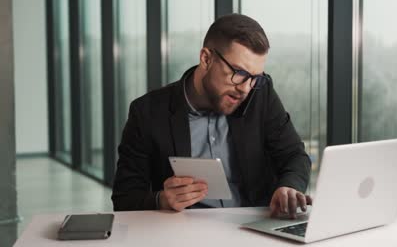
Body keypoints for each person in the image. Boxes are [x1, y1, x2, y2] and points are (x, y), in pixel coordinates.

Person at [112, 13, 312, 218]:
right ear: (206, 59)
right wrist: (161, 199)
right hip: (187, 232)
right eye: (239, 73)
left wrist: (289, 186)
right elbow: (124, 199)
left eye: (254, 78)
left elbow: (295, 156)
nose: (245, 89)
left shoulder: (260, 95)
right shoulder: (147, 113)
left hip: (256, 227)